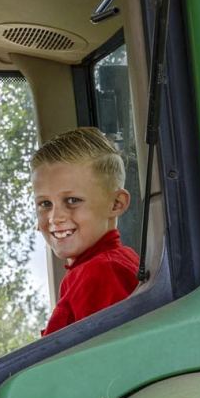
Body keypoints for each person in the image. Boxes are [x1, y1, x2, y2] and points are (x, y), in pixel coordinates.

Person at [31, 127, 139, 335]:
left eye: (72, 201)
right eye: (45, 204)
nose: (55, 217)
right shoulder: (94, 269)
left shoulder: (102, 272)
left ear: (116, 204)